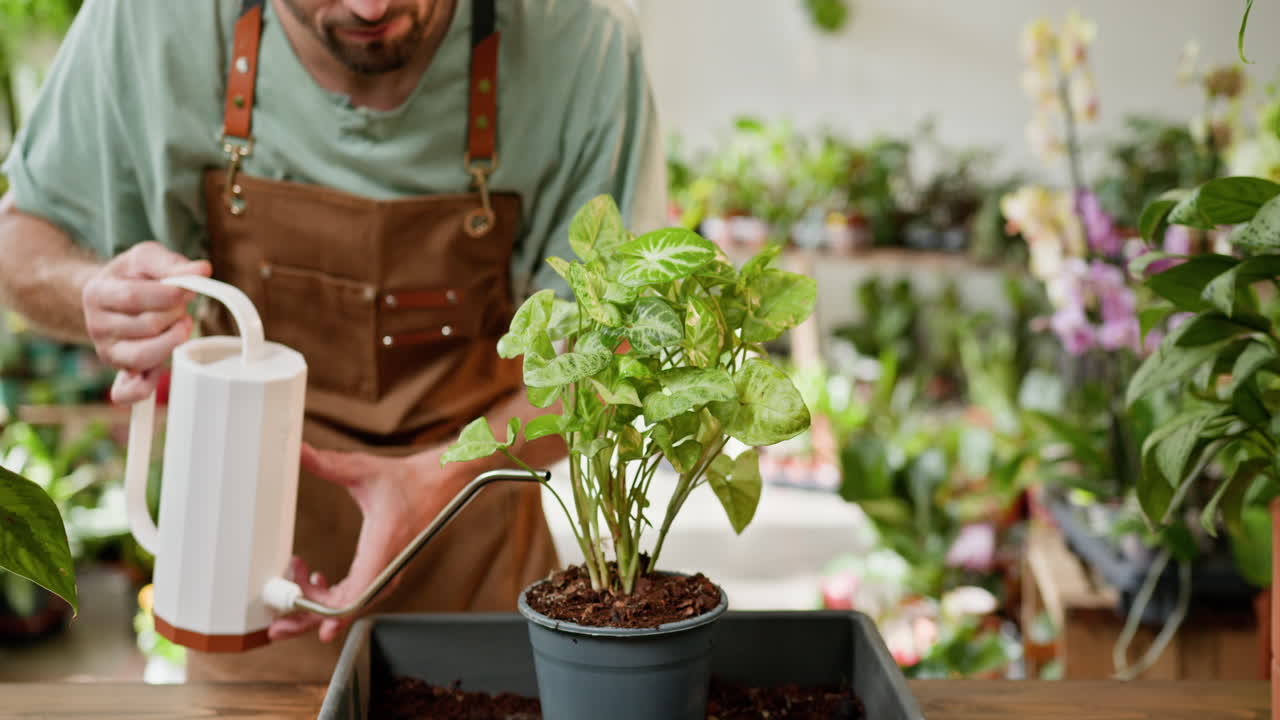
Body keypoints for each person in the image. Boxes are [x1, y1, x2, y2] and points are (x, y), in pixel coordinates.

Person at [0, 0, 666, 682]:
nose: (370, 7)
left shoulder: (581, 39)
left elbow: (616, 358)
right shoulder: (150, 21)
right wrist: (93, 291)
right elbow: (22, 243)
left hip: (483, 582)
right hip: (250, 595)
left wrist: (440, 475)